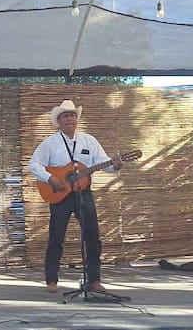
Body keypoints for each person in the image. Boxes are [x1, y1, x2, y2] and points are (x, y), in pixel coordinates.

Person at [27, 99, 122, 293]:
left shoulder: (89, 140)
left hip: (83, 193)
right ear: (59, 122)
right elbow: (34, 165)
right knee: (56, 237)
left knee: (93, 236)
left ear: (76, 119)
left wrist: (116, 165)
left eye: (72, 115)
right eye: (65, 116)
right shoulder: (50, 143)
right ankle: (51, 280)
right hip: (59, 194)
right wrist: (51, 178)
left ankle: (94, 279)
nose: (69, 119)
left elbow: (104, 163)